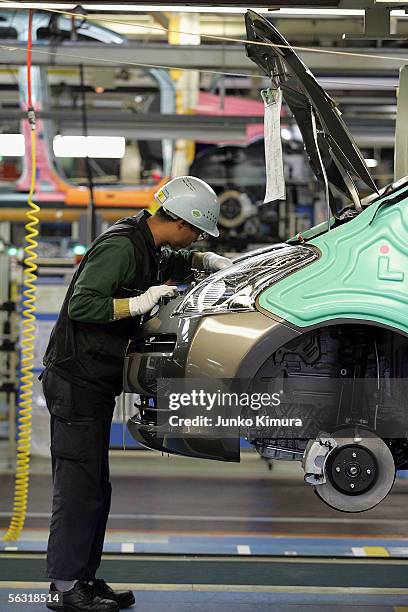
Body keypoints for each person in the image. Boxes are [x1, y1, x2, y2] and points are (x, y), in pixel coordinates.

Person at [41, 176, 232, 612]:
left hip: (92, 381)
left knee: (95, 488)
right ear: (181, 222)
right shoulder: (121, 246)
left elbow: (174, 262)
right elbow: (82, 304)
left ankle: (83, 580)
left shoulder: (146, 245)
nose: (196, 239)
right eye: (198, 233)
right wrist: (138, 303)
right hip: (76, 380)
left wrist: (207, 261)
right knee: (77, 487)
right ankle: (66, 587)